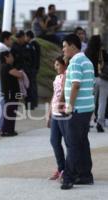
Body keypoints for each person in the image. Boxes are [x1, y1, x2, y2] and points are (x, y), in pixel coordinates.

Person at [60, 34, 95, 190]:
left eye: (64, 46)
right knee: (82, 142)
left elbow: (75, 85)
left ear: (73, 46)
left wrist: (69, 106)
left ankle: (68, 178)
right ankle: (85, 175)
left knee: (73, 144)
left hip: (78, 109)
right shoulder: (87, 60)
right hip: (87, 108)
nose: (63, 49)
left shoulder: (75, 61)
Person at [46, 56, 67, 180]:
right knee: (54, 141)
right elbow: (54, 95)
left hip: (64, 114)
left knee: (69, 143)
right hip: (55, 114)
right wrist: (49, 113)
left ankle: (68, 169)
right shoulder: (57, 78)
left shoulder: (67, 76)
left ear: (64, 65)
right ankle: (61, 168)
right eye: (55, 65)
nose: (56, 67)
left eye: (58, 64)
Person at [85, 35, 108, 132]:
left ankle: (87, 122)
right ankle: (100, 122)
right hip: (103, 79)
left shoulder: (87, 53)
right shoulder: (102, 52)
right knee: (102, 102)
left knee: (91, 102)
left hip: (91, 79)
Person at [0, 51, 22, 136]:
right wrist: (20, 72)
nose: (12, 58)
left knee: (10, 112)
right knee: (10, 112)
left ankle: (8, 129)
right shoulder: (7, 66)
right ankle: (7, 130)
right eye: (11, 56)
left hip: (9, 93)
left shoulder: (3, 66)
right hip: (10, 93)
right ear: (6, 57)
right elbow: (19, 75)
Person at [25, 30, 41, 109]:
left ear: (28, 36)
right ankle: (34, 103)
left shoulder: (32, 45)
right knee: (33, 86)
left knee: (31, 86)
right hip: (35, 68)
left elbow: (33, 58)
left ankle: (32, 103)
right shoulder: (36, 44)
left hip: (32, 69)